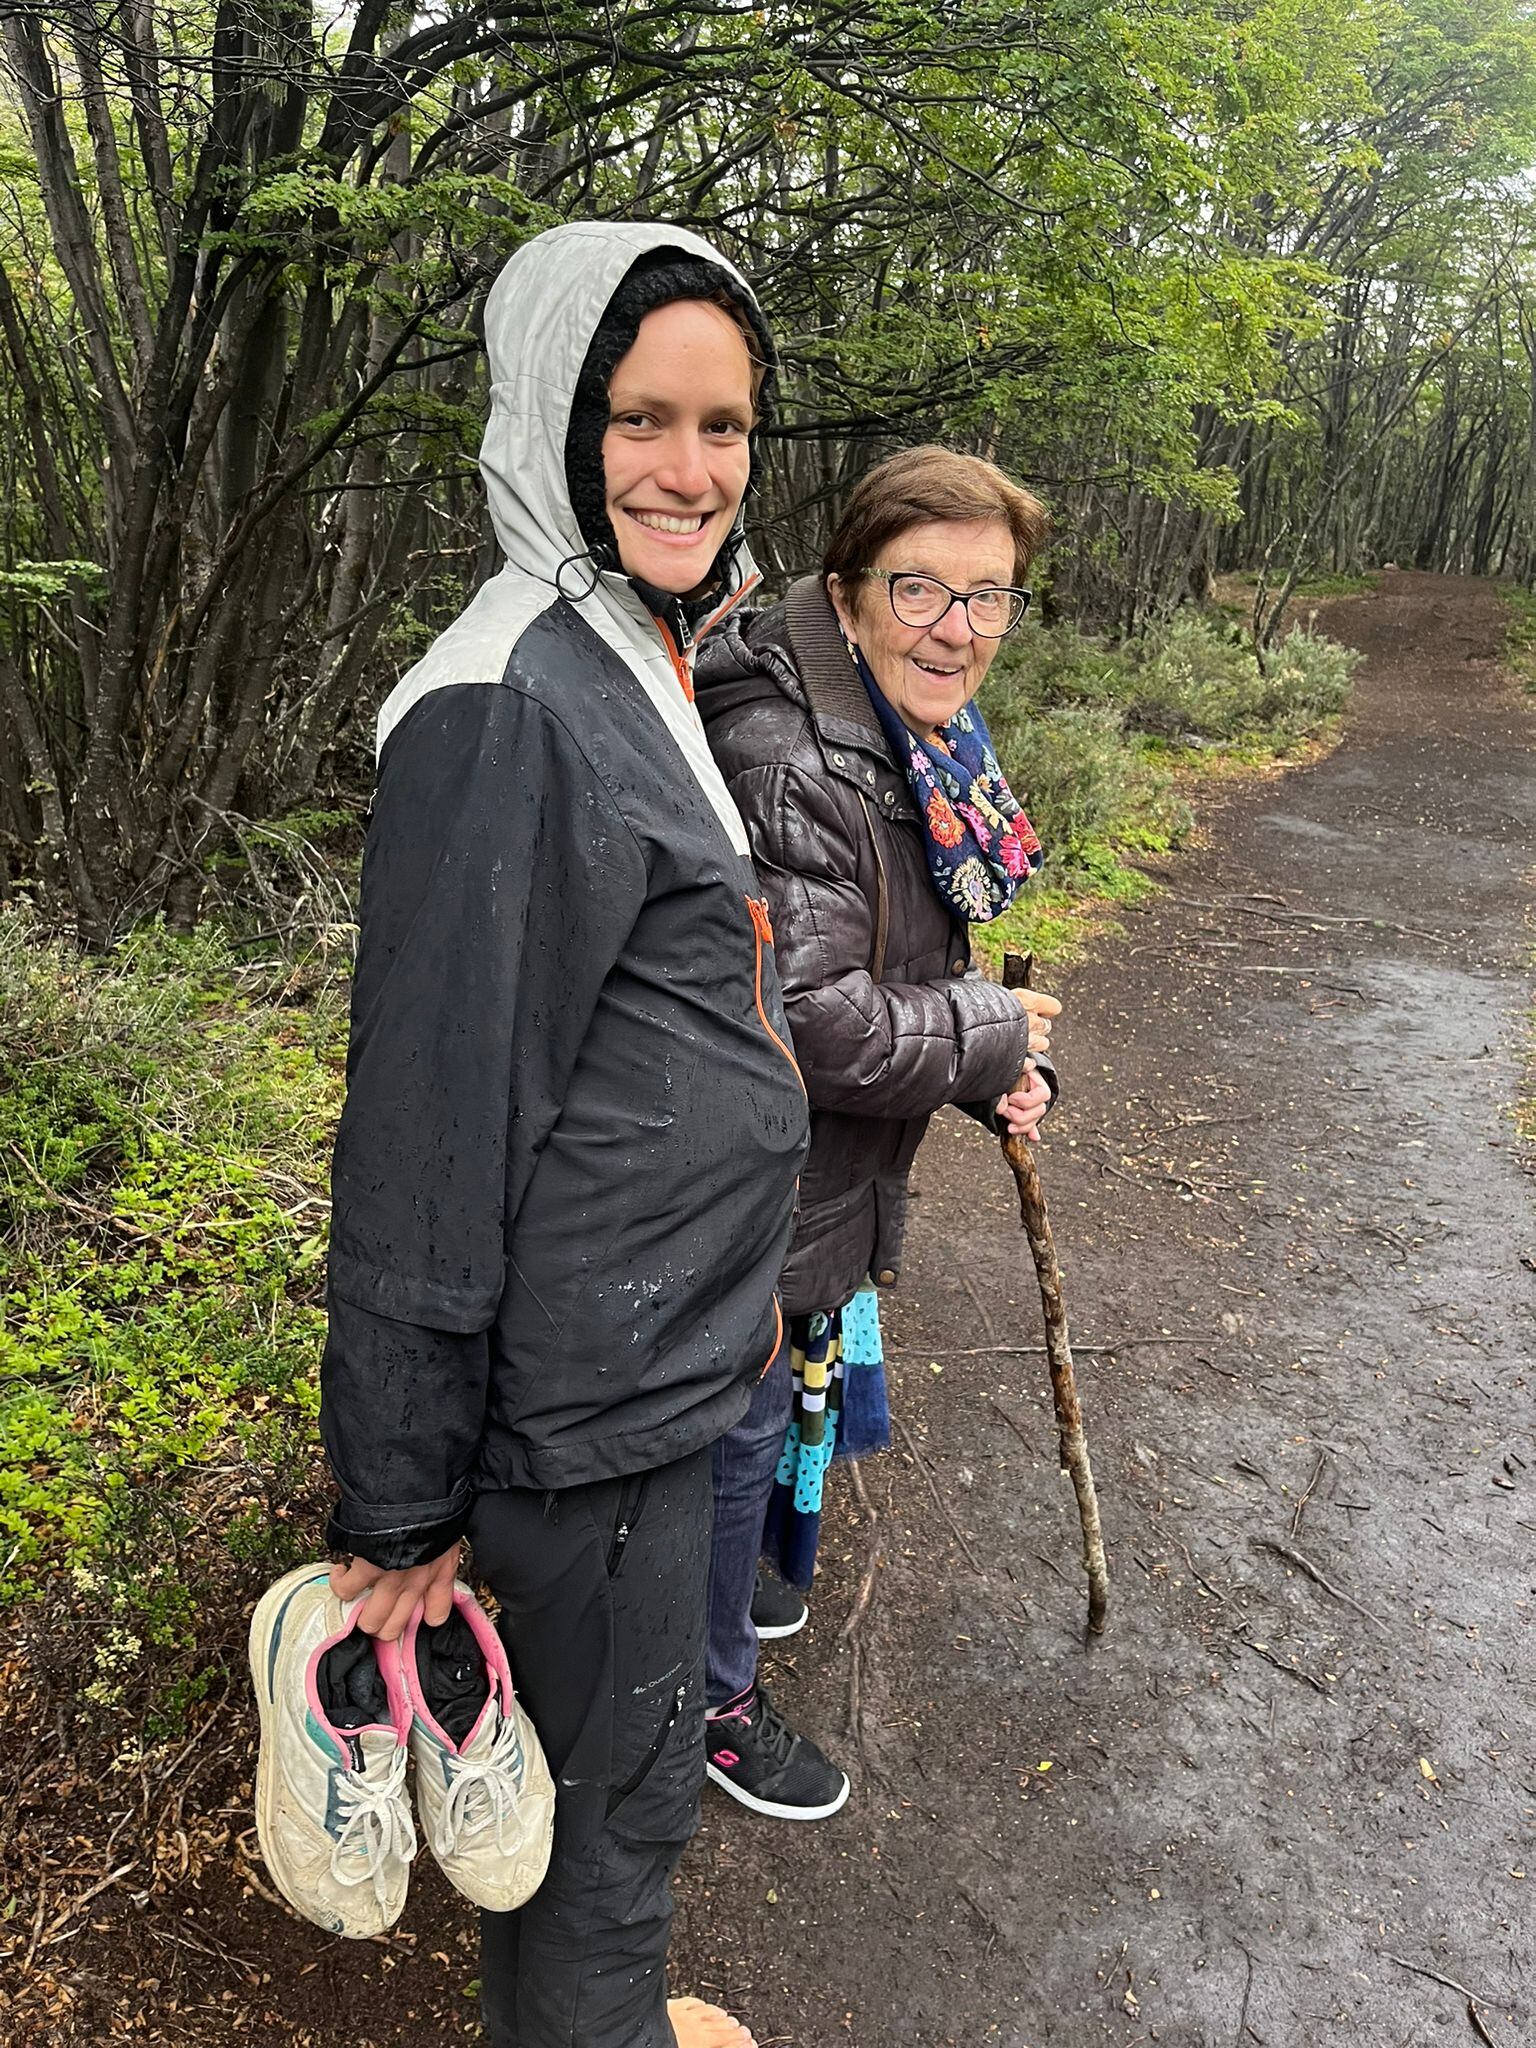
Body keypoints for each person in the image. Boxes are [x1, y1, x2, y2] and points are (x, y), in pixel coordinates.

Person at [318, 220, 809, 2048]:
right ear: (550, 414)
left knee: (607, 1814)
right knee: (610, 1830)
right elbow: (429, 1134)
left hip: (649, 1376)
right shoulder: (507, 699)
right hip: (578, 1424)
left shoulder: (631, 645)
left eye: (727, 426)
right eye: (639, 418)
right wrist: (401, 1496)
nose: (691, 469)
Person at [695, 444, 1058, 1820]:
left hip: (810, 1170)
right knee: (729, 1431)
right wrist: (984, 1035)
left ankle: (727, 1624)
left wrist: (986, 1065)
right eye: (920, 589)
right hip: (739, 1173)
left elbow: (899, 959)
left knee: (765, 1403)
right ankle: (706, 1706)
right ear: (848, 594)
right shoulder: (796, 754)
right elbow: (812, 1018)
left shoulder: (912, 736)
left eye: (988, 597)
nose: (956, 629)